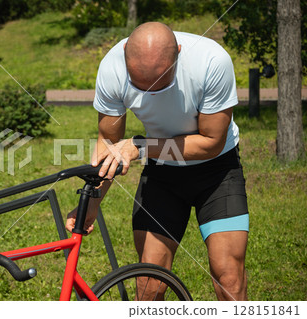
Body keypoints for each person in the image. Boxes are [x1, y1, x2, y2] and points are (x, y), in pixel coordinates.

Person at [65, 22, 249, 301]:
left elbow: (211, 144)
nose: (150, 94)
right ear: (125, 53)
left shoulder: (212, 61)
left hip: (217, 172)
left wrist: (141, 147)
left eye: (161, 84)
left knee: (229, 277)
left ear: (178, 53)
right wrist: (93, 201)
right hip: (162, 173)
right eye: (140, 84)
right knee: (149, 284)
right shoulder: (112, 66)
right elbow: (109, 144)